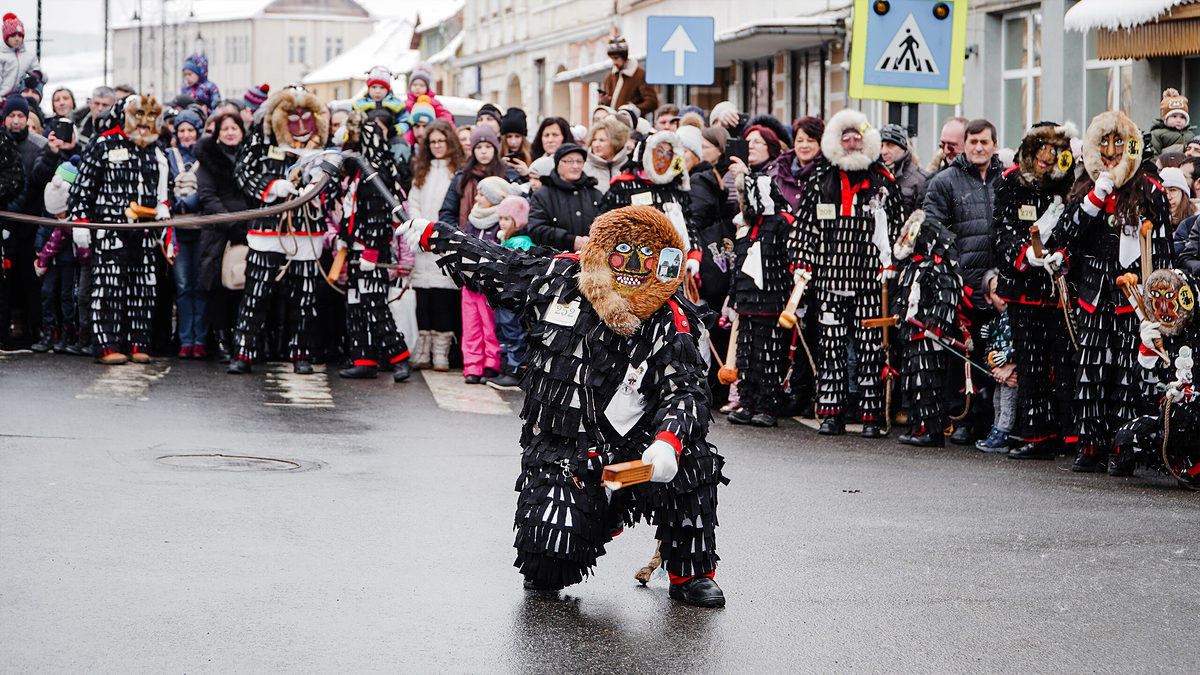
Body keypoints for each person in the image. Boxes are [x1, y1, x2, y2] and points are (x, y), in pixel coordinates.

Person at [400, 205, 727, 607]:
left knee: (694, 462)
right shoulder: (556, 277)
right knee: (547, 567)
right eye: (623, 251)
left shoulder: (667, 314)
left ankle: (689, 573)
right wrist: (436, 234)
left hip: (634, 446)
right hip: (562, 447)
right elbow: (495, 264)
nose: (632, 266)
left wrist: (667, 443)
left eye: (645, 256)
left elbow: (686, 389)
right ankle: (598, 515)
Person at [1059, 110, 1173, 473]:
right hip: (1094, 291)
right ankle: (1090, 445)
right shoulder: (1083, 187)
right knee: (1091, 370)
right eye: (1104, 144)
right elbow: (1067, 236)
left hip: (1133, 293)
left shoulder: (1149, 189)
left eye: (1118, 143)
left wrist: (1158, 297)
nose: (1111, 151)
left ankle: (1125, 448)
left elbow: (1165, 248)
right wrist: (1096, 196)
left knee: (1128, 372)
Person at [793, 108, 903, 438]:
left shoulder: (883, 181)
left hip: (871, 282)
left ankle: (871, 416)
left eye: (858, 137)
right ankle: (831, 414)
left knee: (871, 349)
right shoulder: (820, 179)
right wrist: (802, 265)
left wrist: (891, 266)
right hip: (828, 282)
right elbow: (804, 229)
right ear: (836, 141)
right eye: (846, 137)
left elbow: (895, 229)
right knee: (831, 349)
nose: (853, 143)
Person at [227, 86, 332, 375]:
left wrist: (319, 187)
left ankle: (301, 354)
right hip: (267, 230)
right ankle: (244, 352)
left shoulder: (322, 144)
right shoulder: (262, 138)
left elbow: (337, 178)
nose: (298, 122)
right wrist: (272, 187)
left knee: (305, 296)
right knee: (256, 293)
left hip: (307, 231)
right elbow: (243, 172)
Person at [991, 121, 1079, 460]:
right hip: (1022, 285)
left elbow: (1074, 227)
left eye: (1053, 153)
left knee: (1065, 362)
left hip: (1058, 285)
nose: (1046, 159)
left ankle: (1069, 436)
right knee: (1030, 364)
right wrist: (1023, 254)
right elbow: (1001, 227)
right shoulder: (1010, 181)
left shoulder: (1071, 182)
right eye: (1041, 152)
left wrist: (1061, 255)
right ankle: (1036, 434)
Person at [67, 94, 170, 364]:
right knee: (108, 287)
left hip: (145, 230)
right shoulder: (103, 144)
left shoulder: (155, 149)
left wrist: (163, 209)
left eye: (150, 116)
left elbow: (162, 190)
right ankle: (107, 345)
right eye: (139, 115)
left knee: (143, 287)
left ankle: (139, 343)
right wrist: (80, 223)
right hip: (110, 228)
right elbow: (82, 189)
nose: (144, 122)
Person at [922, 118, 1004, 444]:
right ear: (965, 145)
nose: (979, 147)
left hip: (998, 286)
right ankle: (959, 418)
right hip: (960, 285)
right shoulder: (944, 182)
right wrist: (955, 276)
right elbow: (933, 229)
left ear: (994, 144)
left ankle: (986, 420)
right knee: (959, 357)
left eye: (985, 142)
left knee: (993, 353)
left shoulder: (1007, 181)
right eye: (973, 142)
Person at [333, 111, 414, 382]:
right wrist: (344, 239)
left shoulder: (376, 174)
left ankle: (399, 356)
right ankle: (363, 358)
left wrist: (371, 250)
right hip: (355, 251)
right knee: (356, 306)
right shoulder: (357, 175)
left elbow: (380, 215)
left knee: (375, 306)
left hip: (371, 253)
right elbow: (352, 213)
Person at [1112, 268, 1200, 486]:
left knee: (1181, 417)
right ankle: (1181, 463)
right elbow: (1145, 396)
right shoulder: (1161, 335)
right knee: (1128, 438)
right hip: (1170, 417)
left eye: (1170, 299)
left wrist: (1191, 394)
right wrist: (1147, 352)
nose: (1163, 308)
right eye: (1157, 300)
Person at [726, 169, 798, 427]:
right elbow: (738, 265)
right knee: (746, 355)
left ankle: (768, 405)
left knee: (768, 354)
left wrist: (795, 299)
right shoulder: (745, 224)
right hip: (747, 302)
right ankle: (748, 401)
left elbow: (793, 262)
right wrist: (732, 299)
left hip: (773, 302)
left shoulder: (783, 222)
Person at [893, 210, 965, 447]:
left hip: (928, 335)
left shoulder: (938, 267)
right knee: (912, 381)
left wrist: (937, 322)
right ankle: (917, 426)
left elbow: (947, 296)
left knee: (928, 381)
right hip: (912, 334)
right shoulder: (913, 266)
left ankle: (931, 430)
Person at [407, 119, 465, 372]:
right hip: (422, 240)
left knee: (443, 297)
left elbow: (455, 205)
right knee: (424, 296)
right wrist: (419, 227)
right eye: (432, 142)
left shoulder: (457, 170)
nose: (437, 146)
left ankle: (441, 353)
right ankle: (423, 349)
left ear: (449, 143)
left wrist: (443, 232)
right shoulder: (422, 171)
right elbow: (413, 202)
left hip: (446, 240)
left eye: (441, 141)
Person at [194, 112, 248, 363]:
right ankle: (221, 340)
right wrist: (230, 221)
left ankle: (244, 340)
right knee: (218, 288)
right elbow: (207, 195)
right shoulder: (208, 159)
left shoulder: (251, 156)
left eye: (234, 127)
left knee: (245, 286)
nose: (229, 132)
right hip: (218, 230)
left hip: (249, 229)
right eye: (224, 128)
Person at [458, 175, 521, 383]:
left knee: (490, 325)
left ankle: (491, 364)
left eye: (482, 194)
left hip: (488, 284)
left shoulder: (500, 221)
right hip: (469, 282)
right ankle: (472, 366)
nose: (477, 198)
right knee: (471, 325)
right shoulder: (473, 219)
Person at [167, 108, 207, 358]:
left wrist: (195, 200)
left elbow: (210, 185)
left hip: (201, 227)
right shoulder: (169, 156)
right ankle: (185, 340)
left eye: (190, 130)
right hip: (178, 228)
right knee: (182, 287)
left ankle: (200, 339)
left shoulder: (205, 156)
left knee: (200, 286)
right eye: (181, 130)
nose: (186, 135)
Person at [32, 160, 81, 354]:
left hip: (68, 258)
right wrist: (39, 245)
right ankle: (49, 331)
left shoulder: (74, 210)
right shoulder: (50, 205)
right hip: (50, 258)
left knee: (67, 296)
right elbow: (44, 226)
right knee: (47, 292)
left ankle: (68, 331)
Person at [487, 194, 533, 391]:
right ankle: (505, 369)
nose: (503, 223)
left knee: (513, 333)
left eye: (508, 219)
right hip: (503, 297)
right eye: (501, 218)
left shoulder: (521, 243)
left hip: (513, 298)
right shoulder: (506, 240)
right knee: (504, 332)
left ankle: (515, 371)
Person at [526, 143, 602, 252]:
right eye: (569, 161)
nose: (575, 166)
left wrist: (592, 241)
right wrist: (570, 241)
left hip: (592, 258)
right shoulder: (542, 195)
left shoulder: (595, 194)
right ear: (558, 164)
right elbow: (536, 229)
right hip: (555, 260)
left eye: (579, 161)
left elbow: (606, 225)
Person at [975, 269, 1017, 452]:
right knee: (997, 400)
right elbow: (988, 351)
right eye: (996, 292)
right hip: (1001, 373)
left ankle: (1003, 432)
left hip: (1015, 372)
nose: (1002, 297)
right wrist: (995, 370)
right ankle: (997, 429)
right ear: (988, 297)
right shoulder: (995, 322)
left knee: (1007, 398)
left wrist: (1011, 362)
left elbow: (1023, 345)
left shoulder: (1017, 318)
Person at [772, 116, 825, 212]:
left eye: (810, 141)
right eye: (800, 141)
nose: (804, 146)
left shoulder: (828, 174)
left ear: (820, 143)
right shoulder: (780, 171)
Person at [598, 34, 658, 115]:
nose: (614, 62)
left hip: (632, 123)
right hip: (612, 122)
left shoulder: (639, 75)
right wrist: (604, 101)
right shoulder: (610, 77)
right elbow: (610, 105)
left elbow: (652, 102)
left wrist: (632, 109)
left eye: (616, 58)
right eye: (612, 58)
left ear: (624, 56)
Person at [878, 124, 928, 220]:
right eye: (881, 146)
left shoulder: (920, 179)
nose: (883, 151)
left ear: (903, 148)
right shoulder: (874, 176)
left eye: (890, 145)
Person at [353, 66, 410, 142]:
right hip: (364, 138)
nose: (377, 91)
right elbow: (350, 121)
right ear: (368, 88)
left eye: (382, 87)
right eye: (374, 87)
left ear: (388, 89)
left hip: (390, 138)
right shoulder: (360, 104)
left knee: (401, 144)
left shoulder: (397, 104)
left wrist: (396, 130)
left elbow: (406, 121)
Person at [583, 117, 631, 193]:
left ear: (616, 143)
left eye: (602, 140)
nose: (596, 144)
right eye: (594, 140)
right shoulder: (584, 169)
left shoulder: (629, 168)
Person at [0, 13, 39, 98]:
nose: (17, 39)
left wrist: (36, 75)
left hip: (21, 97)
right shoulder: (1, 56)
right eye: (13, 36)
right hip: (2, 97)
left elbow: (41, 75)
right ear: (6, 38)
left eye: (20, 35)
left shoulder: (29, 56)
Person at [1148, 89, 1196, 157]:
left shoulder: (1190, 135)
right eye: (1174, 116)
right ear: (1165, 118)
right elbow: (1153, 153)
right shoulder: (1157, 134)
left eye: (1182, 117)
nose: (1178, 120)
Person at [499, 107, 531, 178]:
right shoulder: (496, 156)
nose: (513, 142)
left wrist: (527, 175)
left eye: (517, 136)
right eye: (509, 136)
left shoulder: (533, 155)